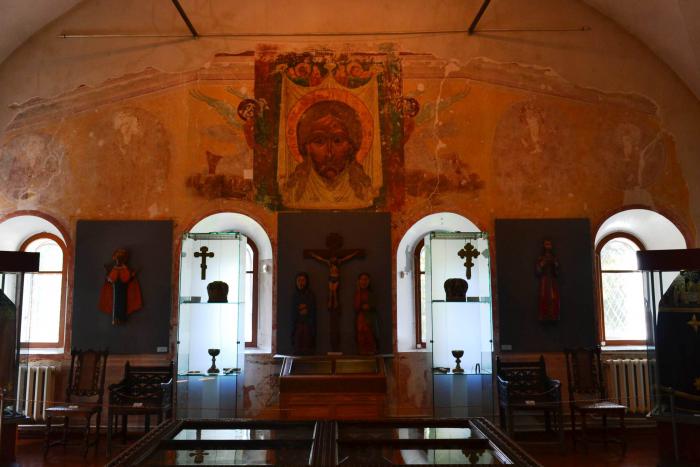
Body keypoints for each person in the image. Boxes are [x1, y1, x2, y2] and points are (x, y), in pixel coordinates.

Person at [285, 100, 372, 208]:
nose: (329, 154)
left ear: (351, 146)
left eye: (338, 140)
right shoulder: (292, 194)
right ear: (306, 147)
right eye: (319, 141)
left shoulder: (366, 192)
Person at [98, 248, 142, 325]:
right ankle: (115, 319)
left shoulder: (125, 269)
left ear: (123, 260)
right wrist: (108, 275)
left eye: (120, 259)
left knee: (122, 305)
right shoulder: (115, 269)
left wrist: (132, 275)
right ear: (116, 259)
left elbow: (127, 279)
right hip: (116, 290)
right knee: (116, 305)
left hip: (123, 289)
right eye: (118, 259)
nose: (119, 260)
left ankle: (122, 319)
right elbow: (111, 279)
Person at [354, 272, 379, 355]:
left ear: (368, 281)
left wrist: (369, 306)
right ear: (359, 281)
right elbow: (356, 307)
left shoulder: (371, 293)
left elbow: (374, 305)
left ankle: (371, 350)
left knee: (369, 333)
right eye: (361, 279)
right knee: (361, 333)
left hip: (370, 317)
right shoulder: (357, 293)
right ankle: (362, 351)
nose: (363, 282)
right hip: (361, 318)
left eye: (365, 279)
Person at [291, 272, 316, 355]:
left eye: (303, 280)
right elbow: (293, 311)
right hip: (297, 324)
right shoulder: (295, 296)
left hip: (307, 324)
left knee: (307, 345)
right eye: (299, 280)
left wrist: (305, 308)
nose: (301, 283)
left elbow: (312, 310)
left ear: (306, 282)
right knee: (297, 345)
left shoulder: (310, 295)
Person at [536, 239, 560, 321]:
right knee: (543, 297)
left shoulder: (554, 258)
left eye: (549, 244)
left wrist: (555, 265)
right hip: (544, 280)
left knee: (553, 297)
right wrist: (542, 263)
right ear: (544, 246)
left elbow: (557, 272)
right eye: (546, 244)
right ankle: (544, 316)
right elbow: (538, 271)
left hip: (552, 280)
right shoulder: (541, 258)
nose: (548, 246)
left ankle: (553, 315)